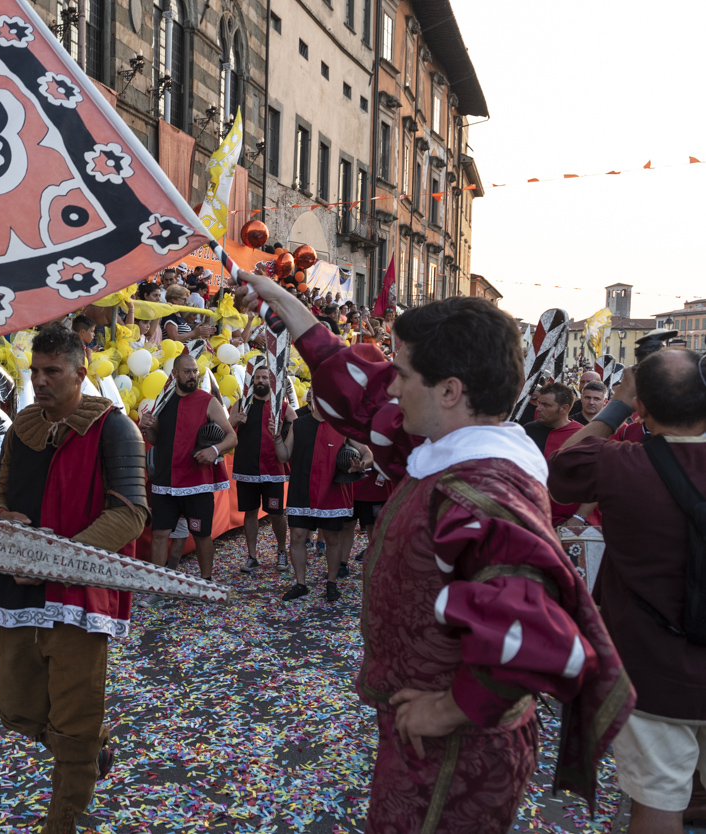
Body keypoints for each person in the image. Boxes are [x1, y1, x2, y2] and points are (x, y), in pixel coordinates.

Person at [235, 272, 634, 833]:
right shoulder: (444, 447)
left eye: (404, 374)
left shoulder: (483, 492)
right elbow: (367, 394)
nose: (394, 388)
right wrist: (287, 306)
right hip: (428, 741)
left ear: (449, 391)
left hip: (455, 750)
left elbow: (536, 639)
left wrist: (446, 709)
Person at [0, 325, 147, 834]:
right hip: (17, 586)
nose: (40, 380)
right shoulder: (21, 427)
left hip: (78, 592)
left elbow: (131, 514)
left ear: (81, 372)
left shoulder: (116, 429)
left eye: (52, 371)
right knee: (16, 706)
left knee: (75, 717)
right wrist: (3, 517)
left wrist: (58, 558)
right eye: (35, 370)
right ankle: (91, 750)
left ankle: (64, 819)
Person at [549, 349, 706, 834]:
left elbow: (564, 466)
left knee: (658, 806)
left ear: (642, 408)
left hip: (654, 669)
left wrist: (618, 403)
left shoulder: (620, 463)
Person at [139, 354, 236, 582]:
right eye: (187, 372)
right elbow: (155, 439)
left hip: (197, 482)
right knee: (160, 534)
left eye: (195, 371)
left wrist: (213, 451)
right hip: (165, 481)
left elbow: (232, 437)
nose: (193, 376)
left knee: (202, 535)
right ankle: (157, 586)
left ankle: (205, 582)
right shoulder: (163, 401)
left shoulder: (208, 401)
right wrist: (148, 428)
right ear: (175, 374)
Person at [281, 389, 371, 602]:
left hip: (332, 490)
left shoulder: (343, 426)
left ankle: (331, 583)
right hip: (301, 489)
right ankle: (301, 584)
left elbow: (367, 453)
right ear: (312, 398)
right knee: (297, 537)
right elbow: (284, 455)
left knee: (332, 538)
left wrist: (362, 464)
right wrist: (276, 438)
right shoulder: (299, 424)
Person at [229, 367, 290, 573]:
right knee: (250, 512)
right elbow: (226, 431)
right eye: (258, 377)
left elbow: (299, 429)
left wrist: (284, 431)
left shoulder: (282, 406)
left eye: (265, 377)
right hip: (247, 468)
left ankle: (282, 551)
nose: (261, 381)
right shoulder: (240, 404)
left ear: (271, 381)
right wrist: (233, 422)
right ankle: (252, 556)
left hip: (273, 468)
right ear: (252, 380)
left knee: (277, 513)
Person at [523, 383, 595, 528]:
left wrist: (578, 518)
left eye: (546, 405)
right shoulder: (528, 431)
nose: (539, 409)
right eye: (538, 403)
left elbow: (597, 482)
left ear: (564, 409)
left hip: (568, 522)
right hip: (533, 516)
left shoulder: (583, 436)